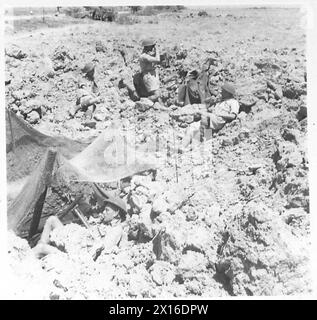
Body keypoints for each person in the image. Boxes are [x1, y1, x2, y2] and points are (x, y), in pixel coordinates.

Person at [180, 82, 239, 151]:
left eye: (223, 91)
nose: (221, 92)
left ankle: (198, 142)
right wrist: (211, 102)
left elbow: (233, 116)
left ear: (227, 93)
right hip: (211, 119)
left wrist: (219, 114)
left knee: (204, 117)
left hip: (218, 120)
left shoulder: (233, 102)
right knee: (192, 127)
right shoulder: (220, 101)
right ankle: (182, 146)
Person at [120, 38, 161, 102]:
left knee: (156, 94)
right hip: (148, 76)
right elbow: (157, 60)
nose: (153, 47)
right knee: (156, 95)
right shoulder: (144, 56)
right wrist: (157, 50)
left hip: (151, 75)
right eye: (152, 45)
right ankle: (143, 102)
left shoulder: (146, 54)